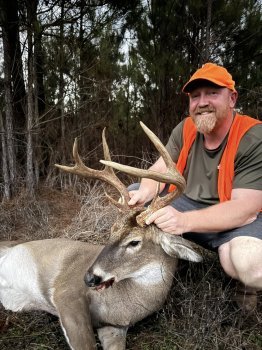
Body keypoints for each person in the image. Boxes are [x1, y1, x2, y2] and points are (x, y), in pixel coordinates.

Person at [128, 62, 262, 312]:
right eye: (195, 96)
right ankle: (161, 270)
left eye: (212, 93)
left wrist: (183, 222)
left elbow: (245, 209)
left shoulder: (253, 136)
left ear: (232, 98)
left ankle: (245, 286)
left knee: (248, 265)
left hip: (240, 219)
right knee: (133, 195)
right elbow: (157, 172)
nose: (202, 102)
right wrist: (146, 191)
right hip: (190, 207)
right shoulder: (186, 128)